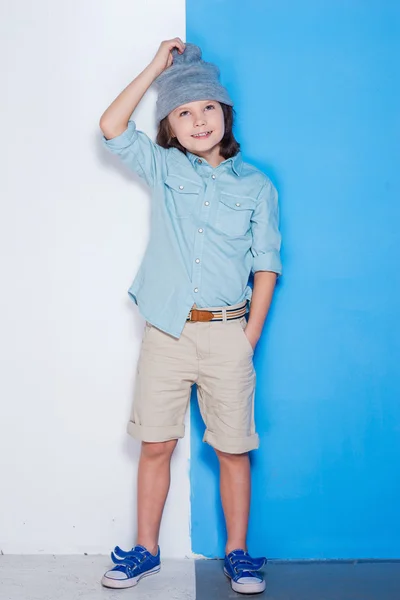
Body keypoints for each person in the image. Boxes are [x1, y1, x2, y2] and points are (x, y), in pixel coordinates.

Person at [99, 38, 282, 595]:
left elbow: (267, 266)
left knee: (233, 447)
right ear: (170, 127)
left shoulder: (256, 186)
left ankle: (237, 554)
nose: (198, 120)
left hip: (228, 332)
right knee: (156, 443)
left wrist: (248, 337)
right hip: (168, 331)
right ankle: (145, 551)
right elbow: (110, 126)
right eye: (183, 111)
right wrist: (157, 67)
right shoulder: (162, 168)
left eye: (207, 108)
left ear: (224, 114)